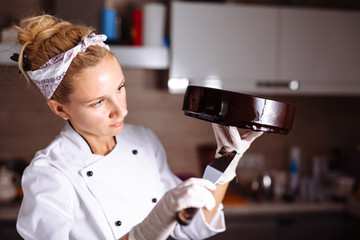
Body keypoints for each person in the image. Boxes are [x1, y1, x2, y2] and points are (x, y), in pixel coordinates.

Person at [12, 14, 263, 240]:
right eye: (98, 102)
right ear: (60, 108)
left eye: (120, 88)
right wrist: (144, 233)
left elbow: (193, 226)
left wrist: (225, 163)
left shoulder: (144, 141)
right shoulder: (49, 173)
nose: (121, 110)